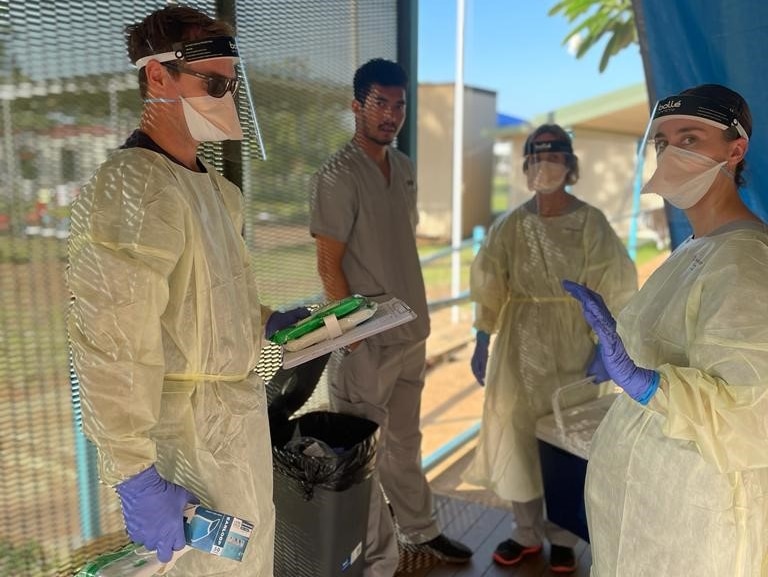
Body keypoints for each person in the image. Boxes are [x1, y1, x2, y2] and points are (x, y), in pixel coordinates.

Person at [66, 6, 308, 576]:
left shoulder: (218, 192)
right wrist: (134, 473)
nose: (227, 97)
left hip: (237, 429)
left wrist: (265, 322)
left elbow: (205, 301)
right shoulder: (134, 185)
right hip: (184, 445)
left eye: (231, 83)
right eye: (213, 83)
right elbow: (111, 341)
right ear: (157, 77)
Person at [564, 84, 768, 576]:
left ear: (735, 150)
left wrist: (645, 382)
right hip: (654, 509)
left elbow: (753, 413)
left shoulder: (744, 259)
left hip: (703, 514)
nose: (671, 154)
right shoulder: (697, 248)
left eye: (691, 139)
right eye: (661, 142)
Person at [309, 58, 473, 576]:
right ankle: (377, 560)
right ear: (356, 105)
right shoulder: (337, 176)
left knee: (406, 444)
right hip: (366, 342)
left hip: (409, 332)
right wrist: (353, 340)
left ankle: (420, 533)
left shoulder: (401, 168)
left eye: (399, 105)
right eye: (379, 102)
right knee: (360, 459)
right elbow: (328, 264)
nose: (391, 114)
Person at [463, 124, 637, 573]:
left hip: (574, 345)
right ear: (525, 167)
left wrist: (607, 344)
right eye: (537, 157)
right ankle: (525, 530)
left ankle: (561, 534)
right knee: (518, 437)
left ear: (570, 165)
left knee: (565, 437)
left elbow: (614, 283)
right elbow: (489, 281)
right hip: (518, 347)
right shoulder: (511, 225)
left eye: (555, 156)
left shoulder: (591, 223)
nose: (546, 165)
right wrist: (483, 334)